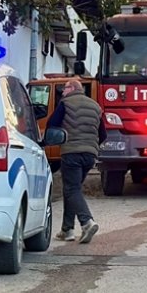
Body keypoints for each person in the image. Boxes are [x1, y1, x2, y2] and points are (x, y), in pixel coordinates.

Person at [47, 79, 106, 244]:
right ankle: (67, 230)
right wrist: (91, 145)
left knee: (72, 189)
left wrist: (56, 139)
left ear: (72, 88)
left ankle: (87, 222)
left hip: (71, 152)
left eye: (64, 88)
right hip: (90, 155)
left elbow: (52, 124)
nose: (62, 92)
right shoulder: (95, 106)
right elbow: (103, 134)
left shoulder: (66, 103)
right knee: (72, 190)